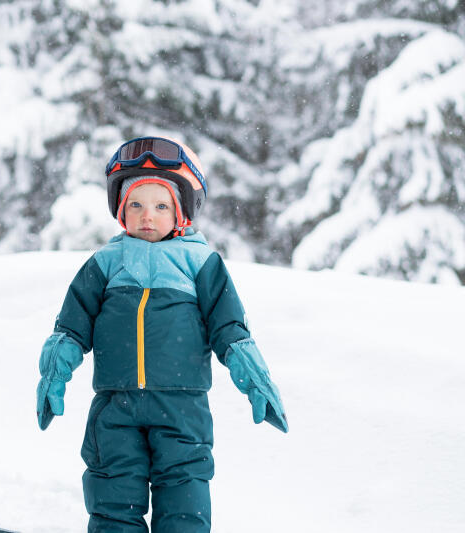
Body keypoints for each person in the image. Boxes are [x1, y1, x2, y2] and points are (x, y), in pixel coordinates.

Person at [36, 136, 288, 532]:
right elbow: (71, 326)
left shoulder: (200, 262)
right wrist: (54, 373)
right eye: (135, 204)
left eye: (160, 205)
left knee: (185, 496)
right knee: (112, 497)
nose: (147, 216)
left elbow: (230, 329)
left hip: (182, 410)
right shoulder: (105, 263)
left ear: (181, 212)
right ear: (121, 210)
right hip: (115, 407)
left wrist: (254, 379)